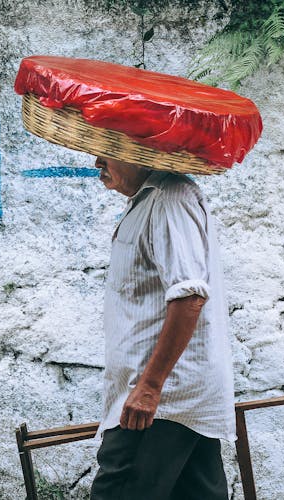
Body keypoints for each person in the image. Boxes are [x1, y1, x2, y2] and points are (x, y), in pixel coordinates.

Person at [89, 157, 235, 500]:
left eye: (108, 151)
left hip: (160, 400)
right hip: (171, 397)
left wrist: (150, 387)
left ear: (135, 153)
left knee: (119, 491)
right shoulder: (147, 201)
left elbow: (189, 296)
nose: (97, 161)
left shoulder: (169, 199)